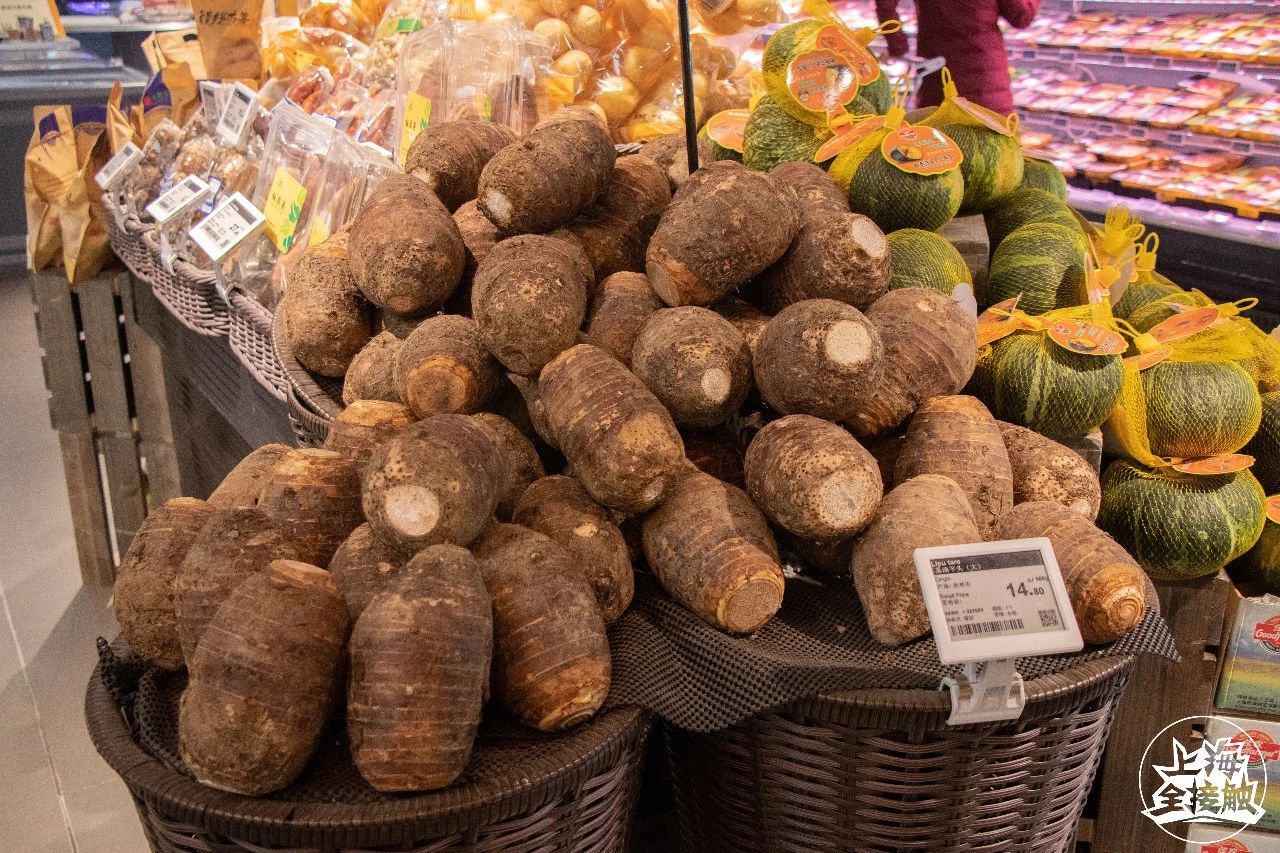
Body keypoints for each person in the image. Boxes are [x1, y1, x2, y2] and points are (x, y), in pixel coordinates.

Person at [875, 0, 1041, 115]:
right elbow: (1021, 15)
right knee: (993, 154)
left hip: (936, 74)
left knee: (938, 153)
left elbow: (885, 5)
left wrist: (898, 47)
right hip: (984, 79)